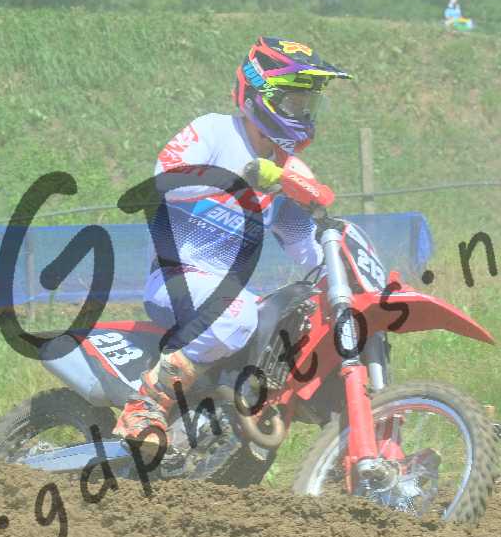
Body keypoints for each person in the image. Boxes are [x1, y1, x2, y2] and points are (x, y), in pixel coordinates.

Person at [113, 37, 351, 444]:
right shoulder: (214, 130)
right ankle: (145, 406)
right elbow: (165, 180)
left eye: (308, 105)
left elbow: (305, 245)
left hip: (228, 291)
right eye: (294, 102)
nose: (303, 113)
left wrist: (343, 274)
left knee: (296, 321)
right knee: (236, 316)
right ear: (261, 96)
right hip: (178, 278)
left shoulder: (287, 169)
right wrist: (244, 177)